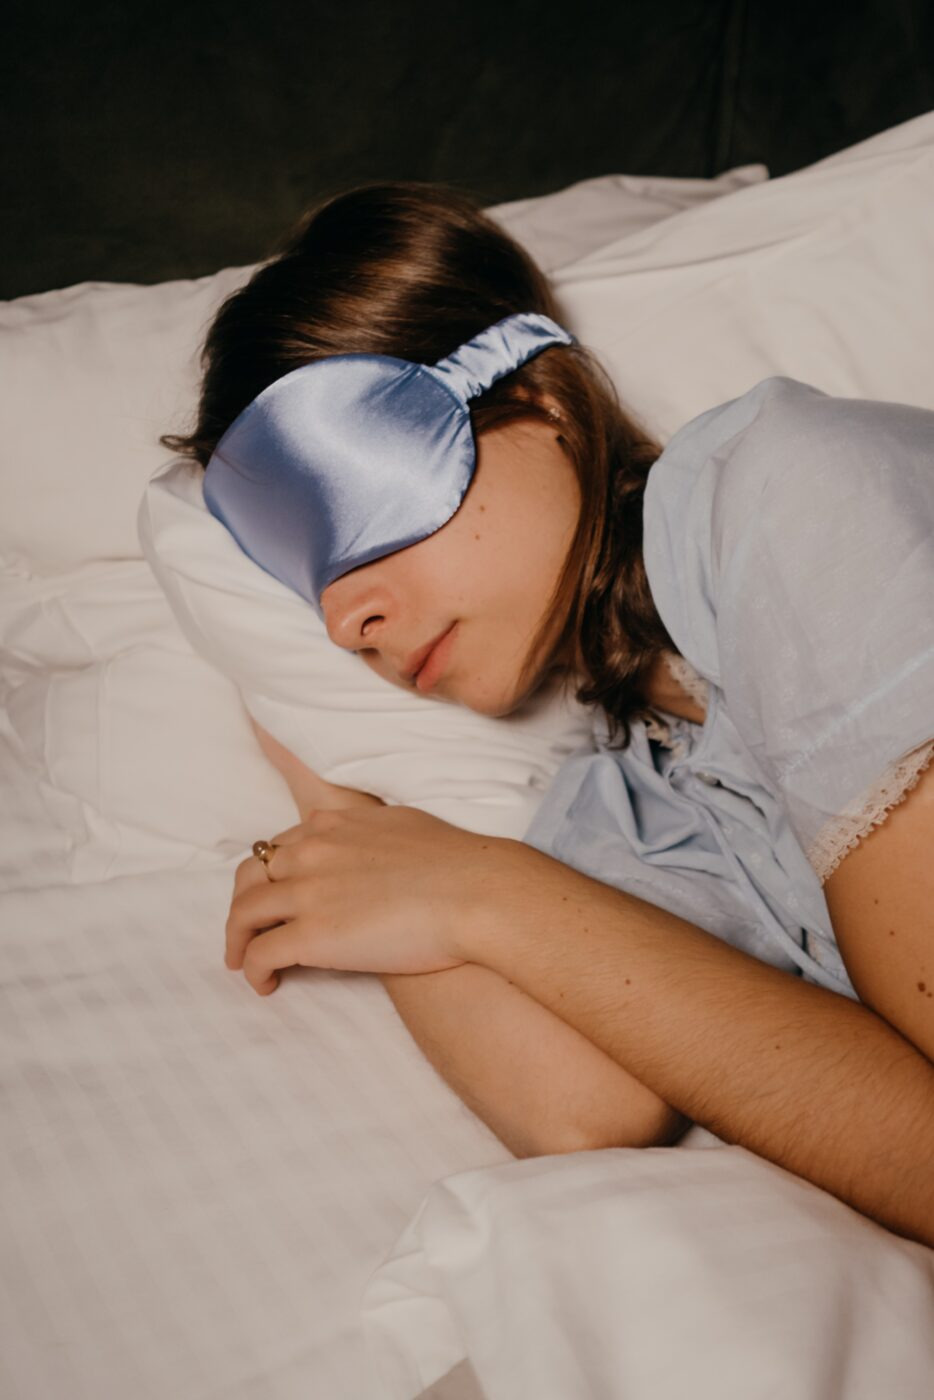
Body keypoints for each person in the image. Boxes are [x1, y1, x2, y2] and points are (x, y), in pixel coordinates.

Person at [160, 180, 934, 1248]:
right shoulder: (639, 790)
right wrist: (342, 808)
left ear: (541, 400)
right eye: (306, 580)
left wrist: (486, 890)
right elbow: (579, 1108)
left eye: (356, 507)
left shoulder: (791, 492)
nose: (344, 620)